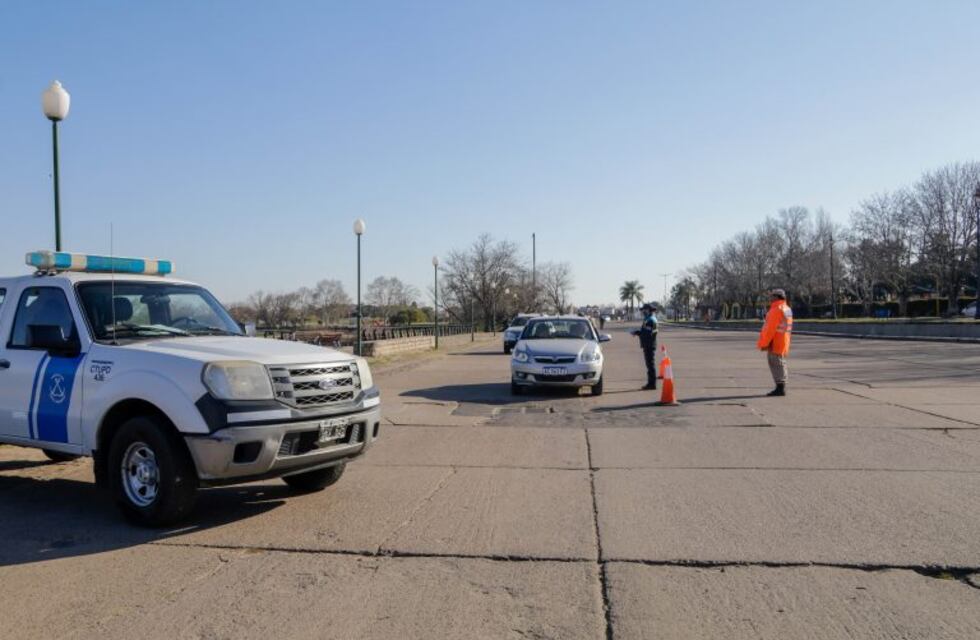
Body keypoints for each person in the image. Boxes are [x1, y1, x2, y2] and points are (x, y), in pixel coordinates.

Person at [757, 289, 793, 396]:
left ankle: (780, 387)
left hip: (775, 340)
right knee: (780, 363)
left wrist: (764, 343)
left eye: (772, 296)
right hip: (783, 339)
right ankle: (781, 386)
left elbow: (770, 328)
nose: (770, 298)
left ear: (777, 297)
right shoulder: (787, 308)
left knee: (776, 363)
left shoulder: (776, 309)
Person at [631, 303, 658, 389]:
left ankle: (652, 384)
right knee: (649, 365)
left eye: (644, 310)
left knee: (650, 365)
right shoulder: (648, 319)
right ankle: (651, 383)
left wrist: (638, 333)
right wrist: (637, 332)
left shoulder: (650, 320)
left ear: (649, 310)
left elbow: (647, 333)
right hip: (648, 344)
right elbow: (645, 332)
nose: (643, 311)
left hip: (649, 344)